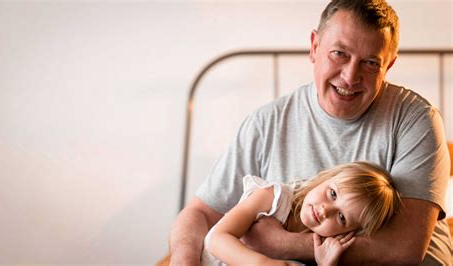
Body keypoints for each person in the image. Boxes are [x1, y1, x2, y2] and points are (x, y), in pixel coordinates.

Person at [169, 0, 452, 264]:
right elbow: (201, 213)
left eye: (370, 63)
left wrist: (278, 243)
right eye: (339, 53)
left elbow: (404, 250)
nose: (350, 77)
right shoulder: (266, 123)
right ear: (314, 47)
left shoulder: (416, 120)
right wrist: (184, 260)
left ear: (388, 65)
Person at [201, 161, 401, 266]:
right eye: (332, 193)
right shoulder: (272, 197)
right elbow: (216, 238)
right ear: (325, 178)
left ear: (350, 232)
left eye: (341, 217)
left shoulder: (319, 244)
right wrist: (262, 263)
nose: (325, 211)